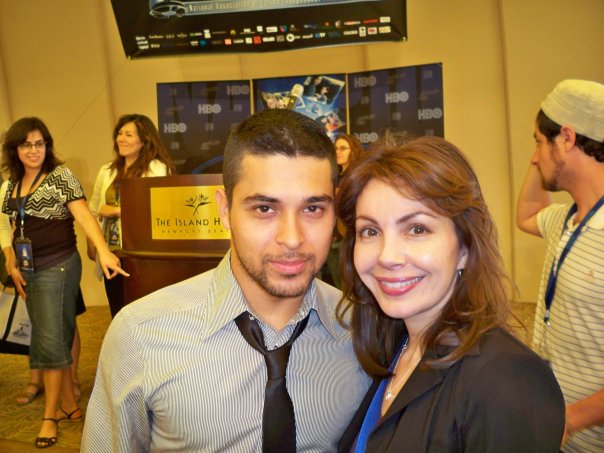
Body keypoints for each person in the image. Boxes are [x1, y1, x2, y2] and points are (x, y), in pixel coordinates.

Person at [81, 108, 370, 452]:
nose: (292, 238)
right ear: (224, 209)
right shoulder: (140, 335)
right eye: (264, 208)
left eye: (312, 209)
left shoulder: (362, 330)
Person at [336, 135, 565, 452]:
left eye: (417, 229)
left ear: (466, 248)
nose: (387, 256)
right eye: (370, 231)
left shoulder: (506, 379)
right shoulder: (391, 348)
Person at [0, 117, 128, 448]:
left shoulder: (60, 176)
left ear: (48, 146)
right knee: (50, 333)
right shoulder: (11, 183)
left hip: (57, 266)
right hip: (27, 270)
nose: (34, 150)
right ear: (15, 148)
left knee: (51, 340)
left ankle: (50, 415)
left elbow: (85, 215)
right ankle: (69, 402)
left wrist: (103, 252)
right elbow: (14, 227)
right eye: (27, 144)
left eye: (40, 143)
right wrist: (11, 262)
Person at [516, 79, 604, 451]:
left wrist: (571, 418)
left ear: (567, 138)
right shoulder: (564, 219)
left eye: (538, 142)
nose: (534, 158)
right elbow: (526, 213)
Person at [87, 113, 174, 318]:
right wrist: (92, 244)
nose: (121, 139)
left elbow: (161, 209)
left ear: (144, 140)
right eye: (119, 133)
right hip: (112, 253)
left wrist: (117, 210)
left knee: (145, 311)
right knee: (118, 310)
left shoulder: (157, 169)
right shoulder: (106, 171)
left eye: (128, 134)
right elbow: (92, 210)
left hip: (144, 255)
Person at [322, 134, 363, 289]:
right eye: (336, 148)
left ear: (353, 151)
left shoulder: (357, 175)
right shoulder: (335, 176)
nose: (338, 152)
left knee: (349, 285)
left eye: (343, 148)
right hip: (334, 235)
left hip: (348, 235)